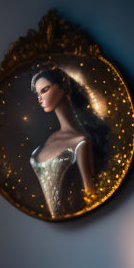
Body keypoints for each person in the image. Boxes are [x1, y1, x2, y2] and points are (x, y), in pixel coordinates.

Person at [29, 66, 109, 218]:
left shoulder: (80, 142)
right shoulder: (51, 138)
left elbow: (91, 194)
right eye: (38, 93)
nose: (40, 98)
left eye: (45, 90)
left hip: (71, 220)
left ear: (63, 87)